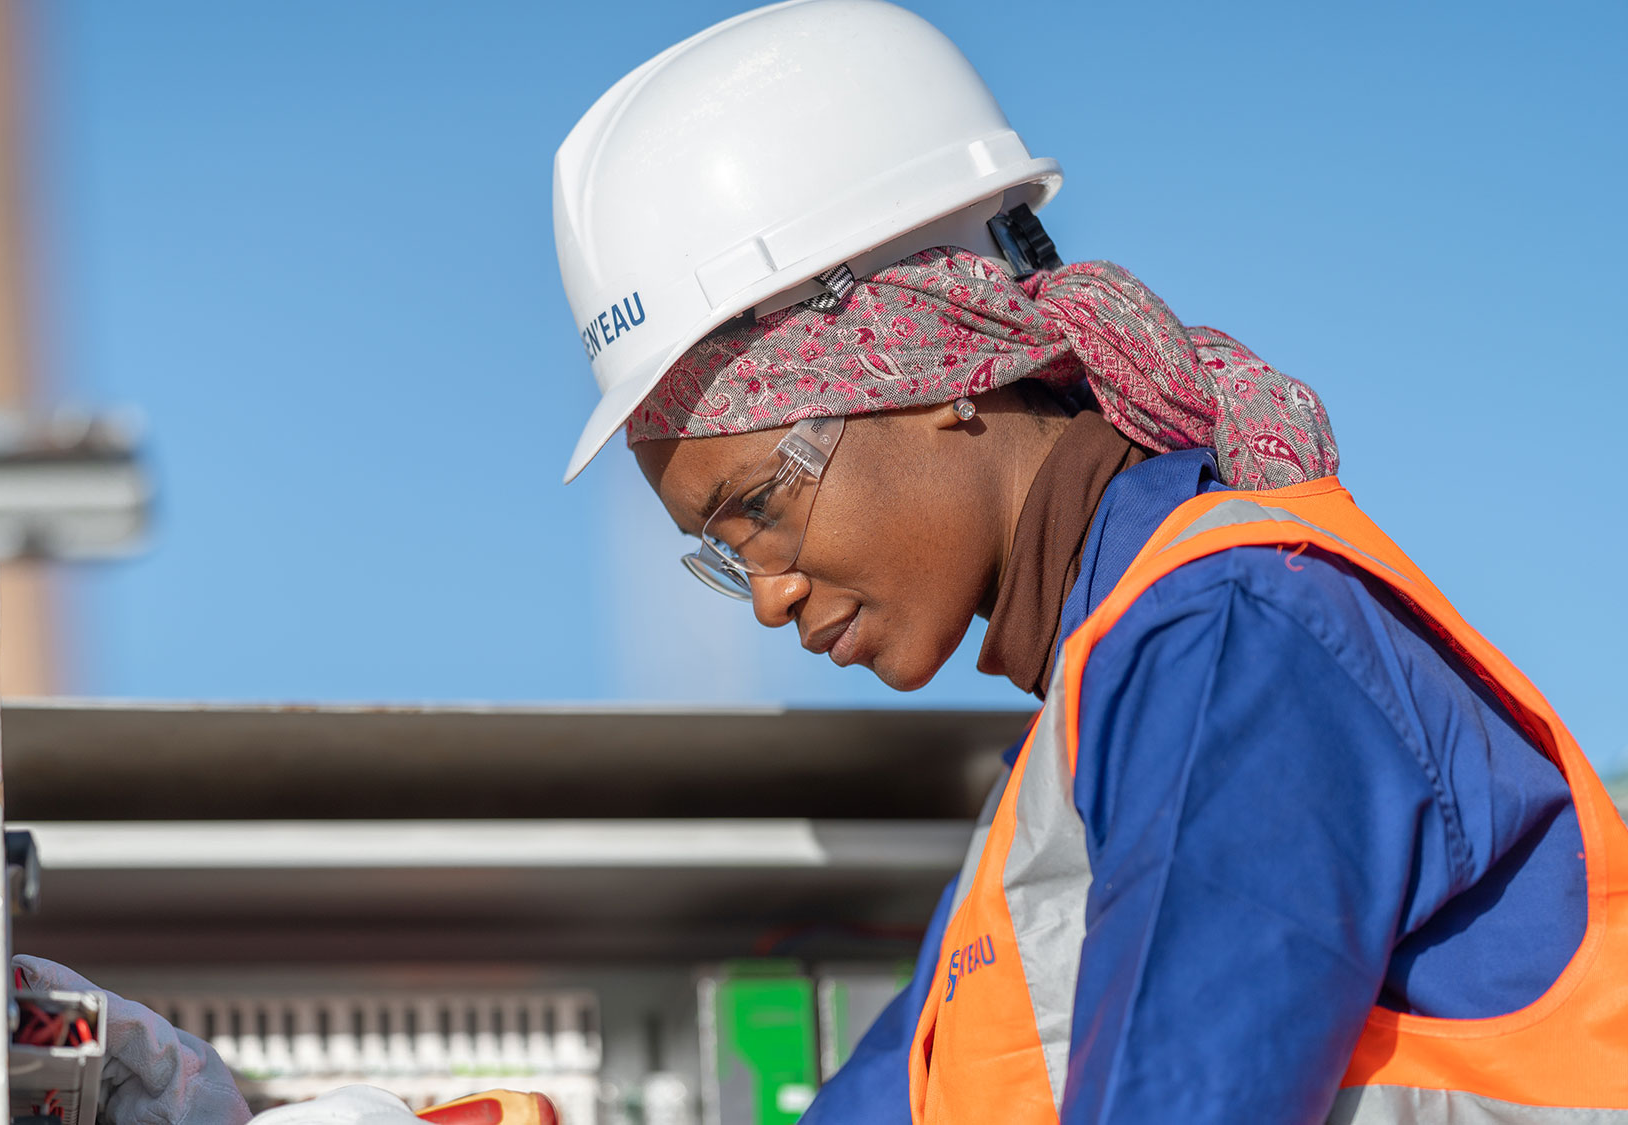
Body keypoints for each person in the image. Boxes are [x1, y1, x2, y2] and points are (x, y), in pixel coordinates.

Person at [552, 2, 1628, 1124]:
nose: (768, 596)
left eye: (761, 509)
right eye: (723, 558)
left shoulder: (1223, 644)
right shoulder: (1084, 741)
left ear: (930, 371)